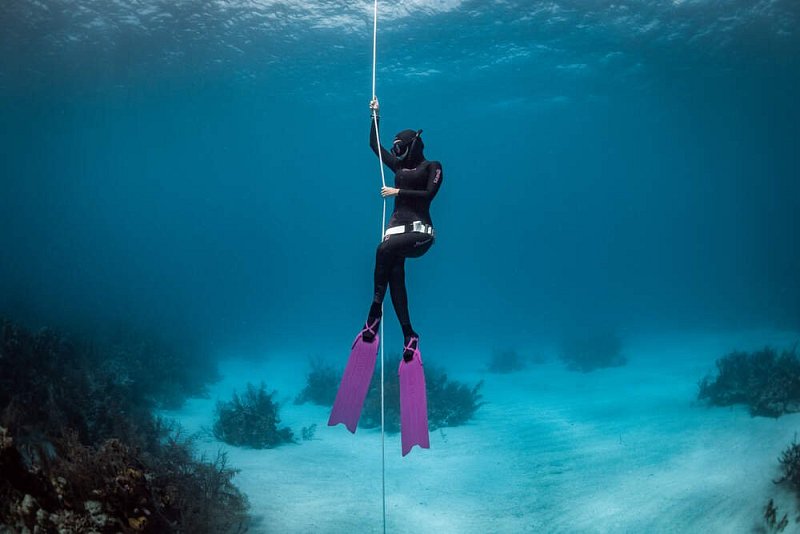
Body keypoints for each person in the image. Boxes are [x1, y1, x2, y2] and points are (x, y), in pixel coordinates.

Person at [361, 97, 443, 362]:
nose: (395, 153)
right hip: (397, 236)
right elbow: (374, 145)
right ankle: (409, 335)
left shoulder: (433, 167)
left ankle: (374, 313)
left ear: (412, 145)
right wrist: (375, 115)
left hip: (420, 235)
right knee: (395, 276)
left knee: (383, 249)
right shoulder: (398, 166)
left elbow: (428, 194)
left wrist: (397, 191)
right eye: (394, 149)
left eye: (399, 148)